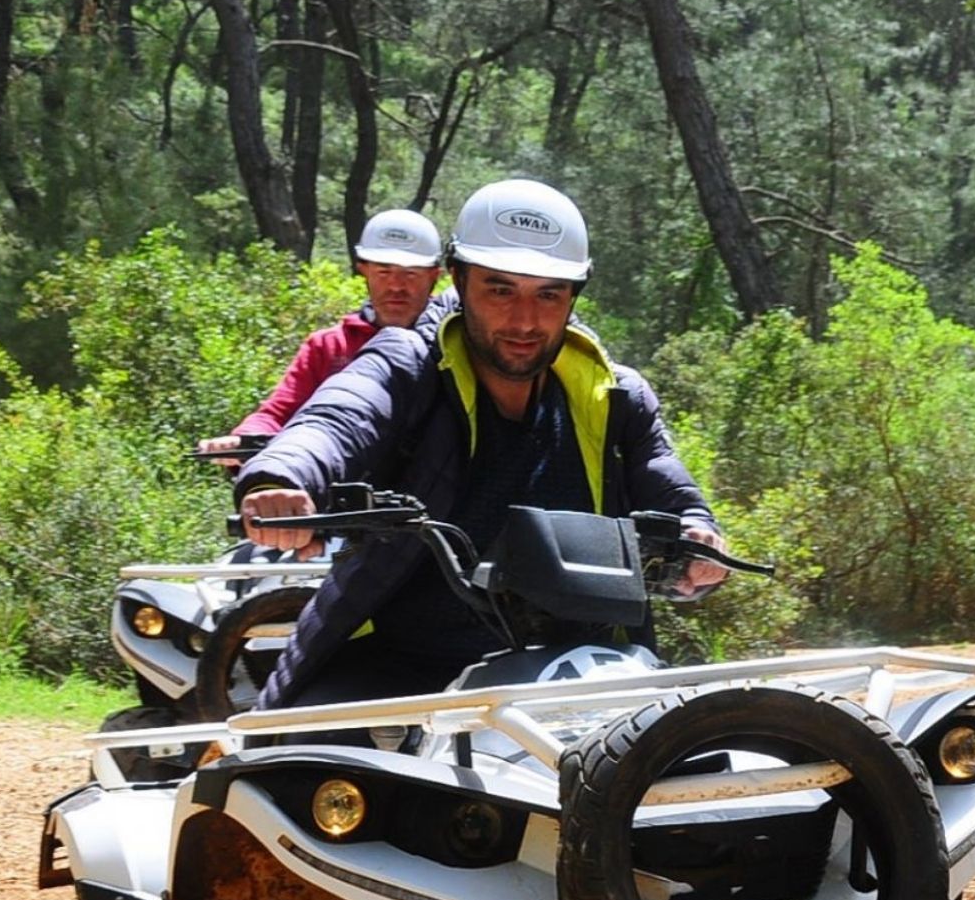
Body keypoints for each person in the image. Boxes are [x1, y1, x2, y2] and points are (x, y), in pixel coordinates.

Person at [233, 178, 728, 713]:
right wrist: (279, 479)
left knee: (697, 776)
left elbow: (669, 487)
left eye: (548, 294)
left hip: (584, 672)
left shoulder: (617, 396)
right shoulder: (407, 363)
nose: (523, 320)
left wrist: (700, 542)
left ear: (573, 296)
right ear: (458, 280)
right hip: (406, 666)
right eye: (499, 289)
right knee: (282, 771)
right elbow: (337, 419)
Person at [197, 207, 448, 462]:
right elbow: (279, 413)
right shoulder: (328, 347)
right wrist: (244, 440)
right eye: (384, 272)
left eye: (410, 274)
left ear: (434, 277)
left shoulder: (455, 342)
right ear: (364, 270)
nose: (396, 285)